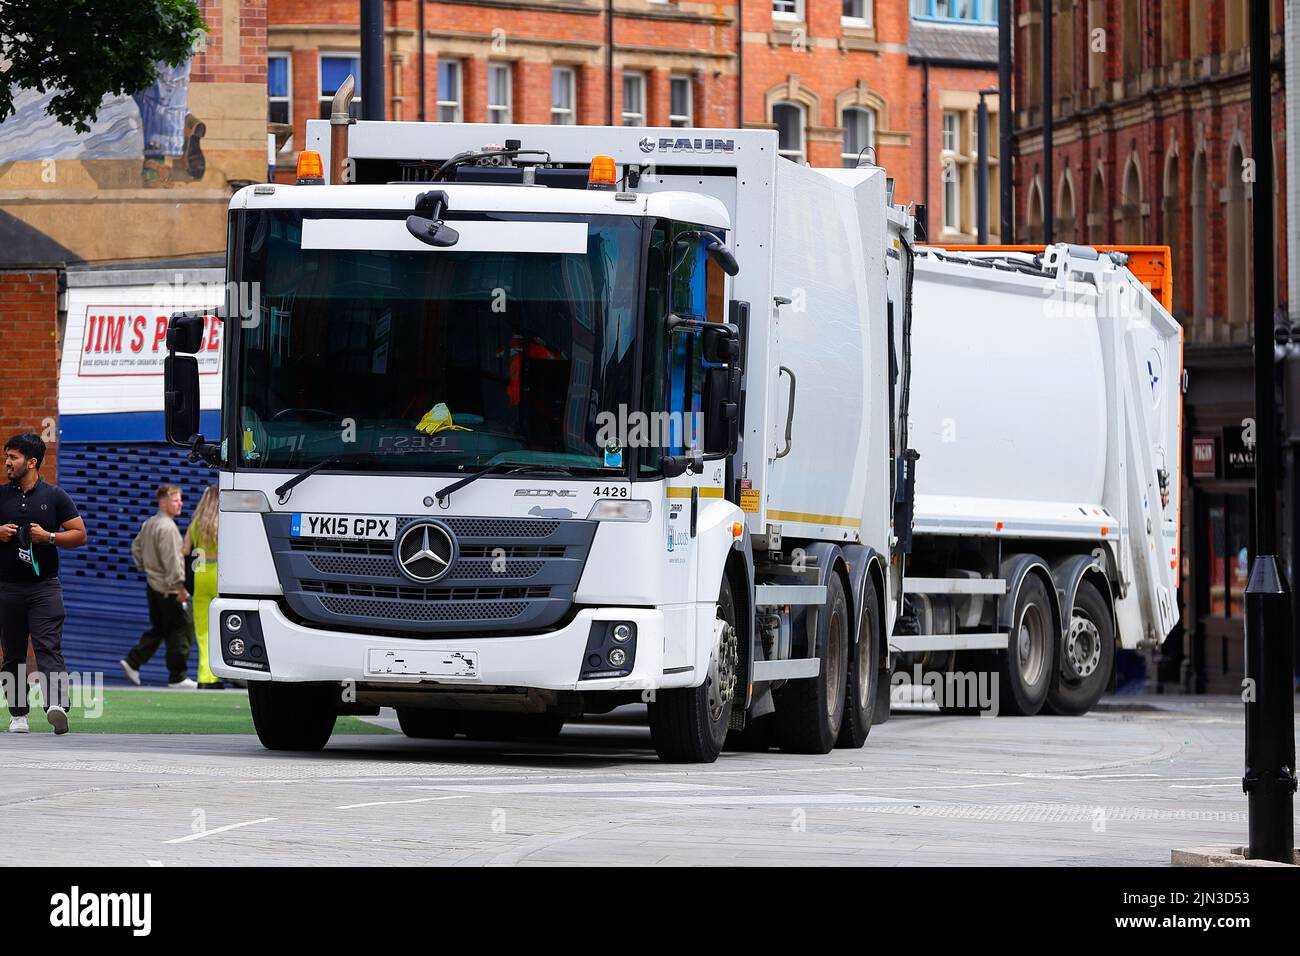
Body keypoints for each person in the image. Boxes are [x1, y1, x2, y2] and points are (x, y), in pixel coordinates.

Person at [0, 434, 87, 735]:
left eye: (13, 457)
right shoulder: (1, 495)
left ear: (32, 462)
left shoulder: (55, 496)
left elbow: (79, 534)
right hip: (7, 587)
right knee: (12, 653)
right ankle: (18, 714)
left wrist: (48, 536)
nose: (7, 463)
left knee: (48, 646)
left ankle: (57, 706)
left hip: (45, 587)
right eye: (7, 457)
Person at [120, 484, 195, 688]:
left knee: (161, 628)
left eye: (180, 499)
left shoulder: (149, 523)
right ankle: (178, 676)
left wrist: (145, 567)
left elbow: (136, 547)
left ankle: (133, 661)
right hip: (169, 588)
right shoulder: (168, 528)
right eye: (175, 499)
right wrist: (179, 587)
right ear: (163, 502)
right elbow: (173, 560)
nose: (180, 503)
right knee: (183, 629)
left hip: (153, 585)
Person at [182, 485, 221, 689]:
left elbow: (185, 549)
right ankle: (217, 674)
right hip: (219, 574)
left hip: (200, 574)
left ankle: (205, 678)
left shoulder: (196, 523)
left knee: (203, 630)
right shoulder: (223, 521)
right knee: (221, 626)